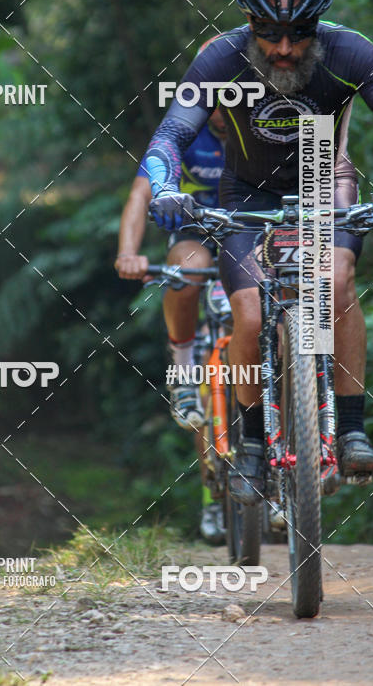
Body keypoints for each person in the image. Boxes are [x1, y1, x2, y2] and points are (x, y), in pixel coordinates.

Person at [144, 0, 373, 506]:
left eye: (300, 32)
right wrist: (165, 187)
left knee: (335, 282)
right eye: (269, 32)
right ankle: (254, 444)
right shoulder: (220, 57)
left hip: (323, 177)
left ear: (320, 24)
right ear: (247, 21)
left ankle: (353, 427)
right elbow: (171, 134)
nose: (285, 48)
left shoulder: (351, 52)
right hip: (245, 191)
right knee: (248, 309)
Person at [116, 99, 227, 543]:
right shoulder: (185, 128)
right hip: (197, 230)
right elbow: (140, 193)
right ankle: (182, 368)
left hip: (255, 226)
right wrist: (128, 251)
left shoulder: (268, 121)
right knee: (184, 273)